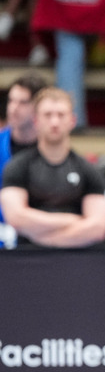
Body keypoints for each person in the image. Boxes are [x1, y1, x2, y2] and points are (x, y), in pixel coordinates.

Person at [0, 87, 105, 248]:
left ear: (72, 120)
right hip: (27, 262)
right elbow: (16, 219)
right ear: (36, 121)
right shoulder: (17, 166)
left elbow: (98, 228)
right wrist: (71, 220)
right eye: (48, 115)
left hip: (75, 263)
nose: (54, 122)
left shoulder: (88, 170)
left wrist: (44, 239)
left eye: (61, 115)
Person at [0, 72, 48, 248]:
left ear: (38, 108)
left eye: (23, 102)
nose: (13, 108)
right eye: (11, 101)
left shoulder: (54, 153)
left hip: (40, 244)